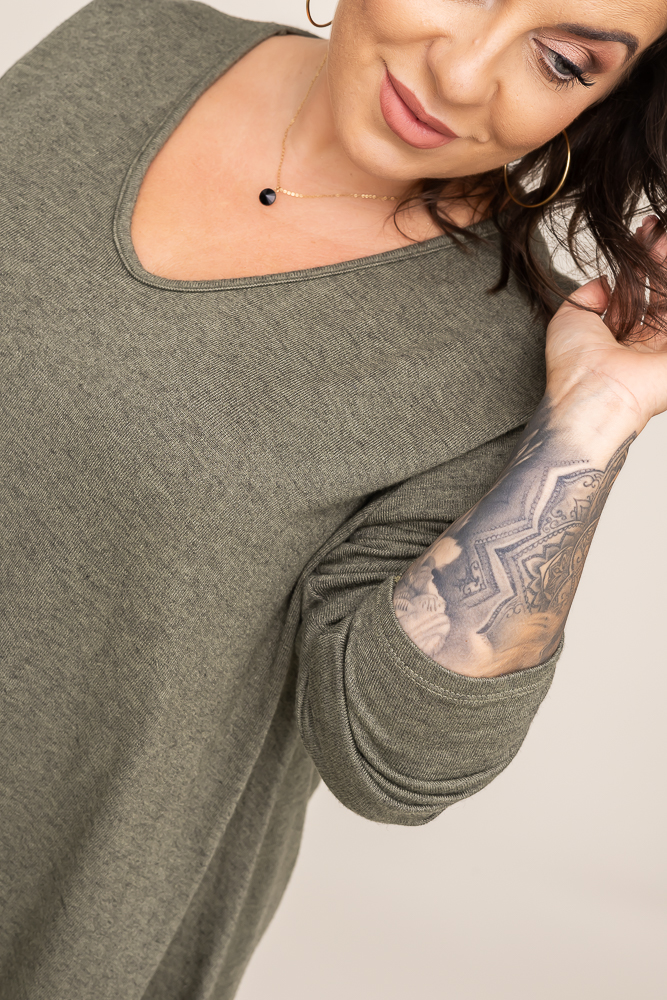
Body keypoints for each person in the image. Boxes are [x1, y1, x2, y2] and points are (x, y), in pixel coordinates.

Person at [1, 0, 666, 996]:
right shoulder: (120, 41)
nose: (461, 75)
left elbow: (399, 760)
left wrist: (589, 423)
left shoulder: (497, 361)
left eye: (563, 61)